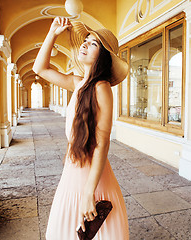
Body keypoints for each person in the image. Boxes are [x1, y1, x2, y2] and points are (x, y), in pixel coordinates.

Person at [33, 17, 129, 240]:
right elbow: (40, 68)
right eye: (85, 39)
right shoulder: (79, 83)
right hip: (71, 170)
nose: (85, 44)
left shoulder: (102, 88)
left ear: (103, 57)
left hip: (91, 178)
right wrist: (52, 33)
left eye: (93, 43)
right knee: (64, 231)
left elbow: (102, 142)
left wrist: (89, 192)